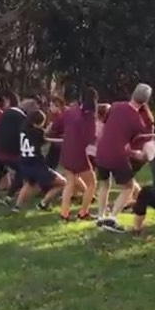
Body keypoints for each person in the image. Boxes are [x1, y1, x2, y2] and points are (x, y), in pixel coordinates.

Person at [95, 84, 152, 233]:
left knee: (104, 184)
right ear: (145, 101)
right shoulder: (138, 121)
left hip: (101, 151)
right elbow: (136, 141)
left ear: (133, 93)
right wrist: (137, 154)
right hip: (117, 155)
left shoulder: (115, 106)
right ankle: (112, 219)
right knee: (129, 186)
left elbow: (106, 124)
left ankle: (100, 217)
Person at [58, 88, 99, 222]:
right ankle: (83, 212)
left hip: (66, 149)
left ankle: (64, 213)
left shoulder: (70, 111)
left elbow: (58, 125)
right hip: (79, 152)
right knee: (92, 183)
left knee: (70, 182)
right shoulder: (89, 116)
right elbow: (90, 137)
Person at [13, 110, 66, 212]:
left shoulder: (23, 130)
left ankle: (17, 207)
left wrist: (61, 141)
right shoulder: (38, 132)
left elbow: (44, 140)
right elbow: (45, 138)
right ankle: (43, 203)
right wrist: (63, 140)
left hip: (24, 163)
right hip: (37, 164)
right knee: (62, 183)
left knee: (29, 183)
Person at [0, 92, 27, 206]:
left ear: (9, 101)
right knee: (22, 171)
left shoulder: (3, 114)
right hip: (12, 152)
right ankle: (9, 196)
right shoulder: (22, 117)